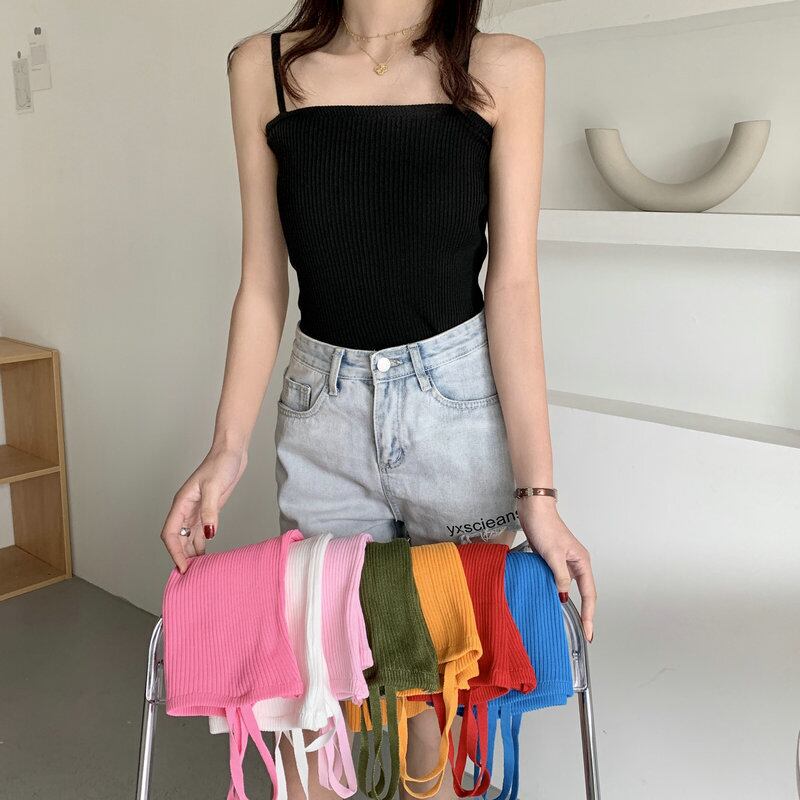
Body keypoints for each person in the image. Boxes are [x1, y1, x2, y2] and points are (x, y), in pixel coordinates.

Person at [159, 3, 597, 799]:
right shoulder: (263, 68)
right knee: (316, 690)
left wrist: (539, 493)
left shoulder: (504, 67)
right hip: (322, 410)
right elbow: (262, 283)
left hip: (458, 414)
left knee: (441, 686)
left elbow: (514, 287)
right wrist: (227, 448)